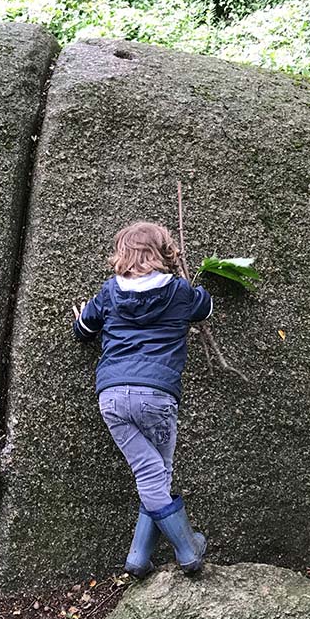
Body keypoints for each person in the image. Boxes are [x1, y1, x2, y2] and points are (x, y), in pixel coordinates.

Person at [72, 221, 213, 576]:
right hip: (156, 396)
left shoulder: (109, 292)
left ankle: (139, 557)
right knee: (154, 474)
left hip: (113, 396)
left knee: (152, 475)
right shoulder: (180, 291)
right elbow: (205, 307)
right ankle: (187, 549)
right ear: (166, 253)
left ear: (122, 255)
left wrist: (80, 319)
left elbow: (84, 329)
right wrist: (187, 274)